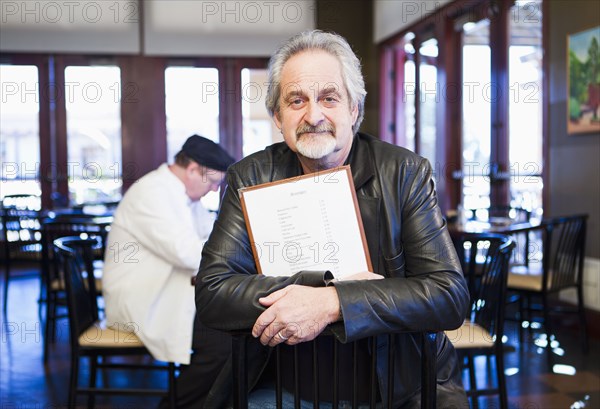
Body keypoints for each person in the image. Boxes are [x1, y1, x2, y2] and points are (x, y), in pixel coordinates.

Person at [195, 30, 470, 408]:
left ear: (353, 109)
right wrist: (314, 289)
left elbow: (448, 296)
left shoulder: (403, 172)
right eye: (296, 100)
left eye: (329, 97)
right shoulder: (251, 176)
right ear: (277, 116)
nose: (313, 115)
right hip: (284, 383)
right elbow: (212, 292)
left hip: (395, 386)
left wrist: (334, 302)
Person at [102, 134, 234, 368]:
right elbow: (189, 253)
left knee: (233, 330)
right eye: (212, 182)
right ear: (193, 170)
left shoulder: (187, 197)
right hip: (141, 299)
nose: (214, 190)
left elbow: (213, 236)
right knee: (223, 340)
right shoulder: (152, 193)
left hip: (166, 290)